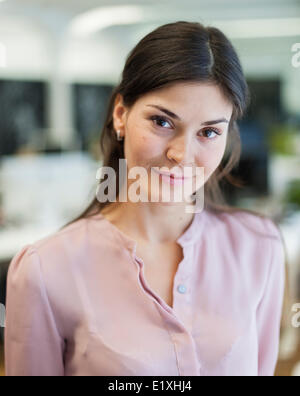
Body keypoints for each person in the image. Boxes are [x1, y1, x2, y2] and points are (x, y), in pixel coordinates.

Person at [5, 21, 286, 376]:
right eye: (162, 122)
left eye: (209, 132)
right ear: (120, 115)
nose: (182, 154)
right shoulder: (45, 270)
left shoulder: (259, 246)